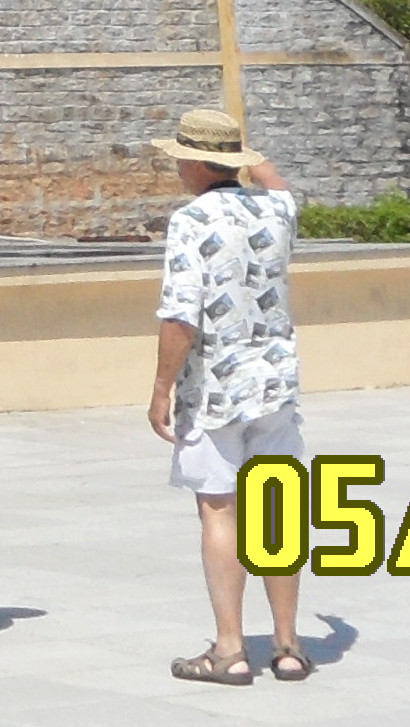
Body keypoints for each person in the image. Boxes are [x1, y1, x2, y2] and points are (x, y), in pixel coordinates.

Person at [143, 106, 312, 686]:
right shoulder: (278, 210)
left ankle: (230, 648)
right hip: (275, 384)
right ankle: (288, 645)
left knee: (220, 510)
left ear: (194, 163)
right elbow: (276, 180)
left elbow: (180, 316)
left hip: (214, 388)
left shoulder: (190, 221)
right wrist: (249, 155)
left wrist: (161, 388)